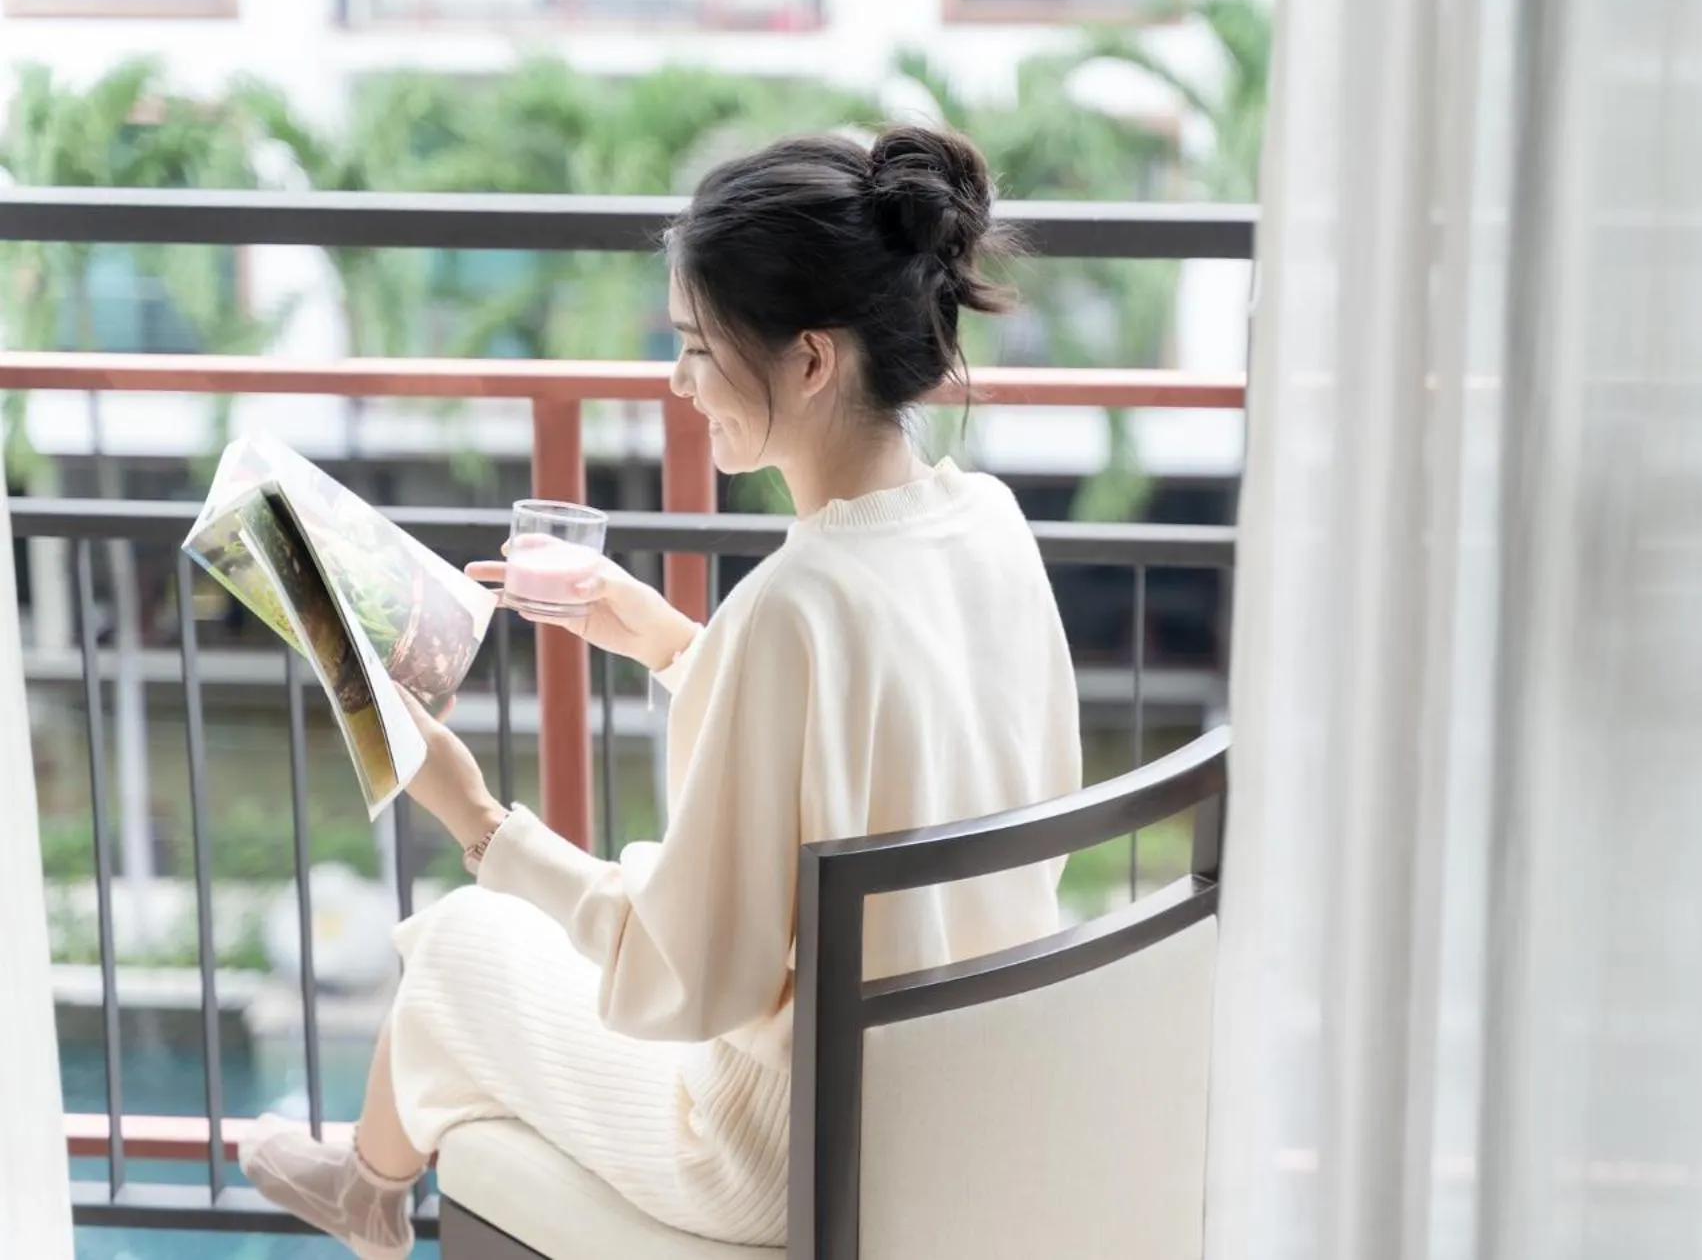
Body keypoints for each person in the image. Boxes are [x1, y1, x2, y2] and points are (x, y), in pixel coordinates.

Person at [237, 126, 1083, 1259]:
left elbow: (687, 980)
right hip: (957, 1087)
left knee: (457, 941)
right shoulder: (984, 523)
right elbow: (892, 750)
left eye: (695, 346)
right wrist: (676, 642)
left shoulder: (791, 606)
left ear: (812, 358)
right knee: (488, 949)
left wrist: (478, 819)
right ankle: (365, 1181)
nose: (678, 380)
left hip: (784, 1147)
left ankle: (364, 1188)